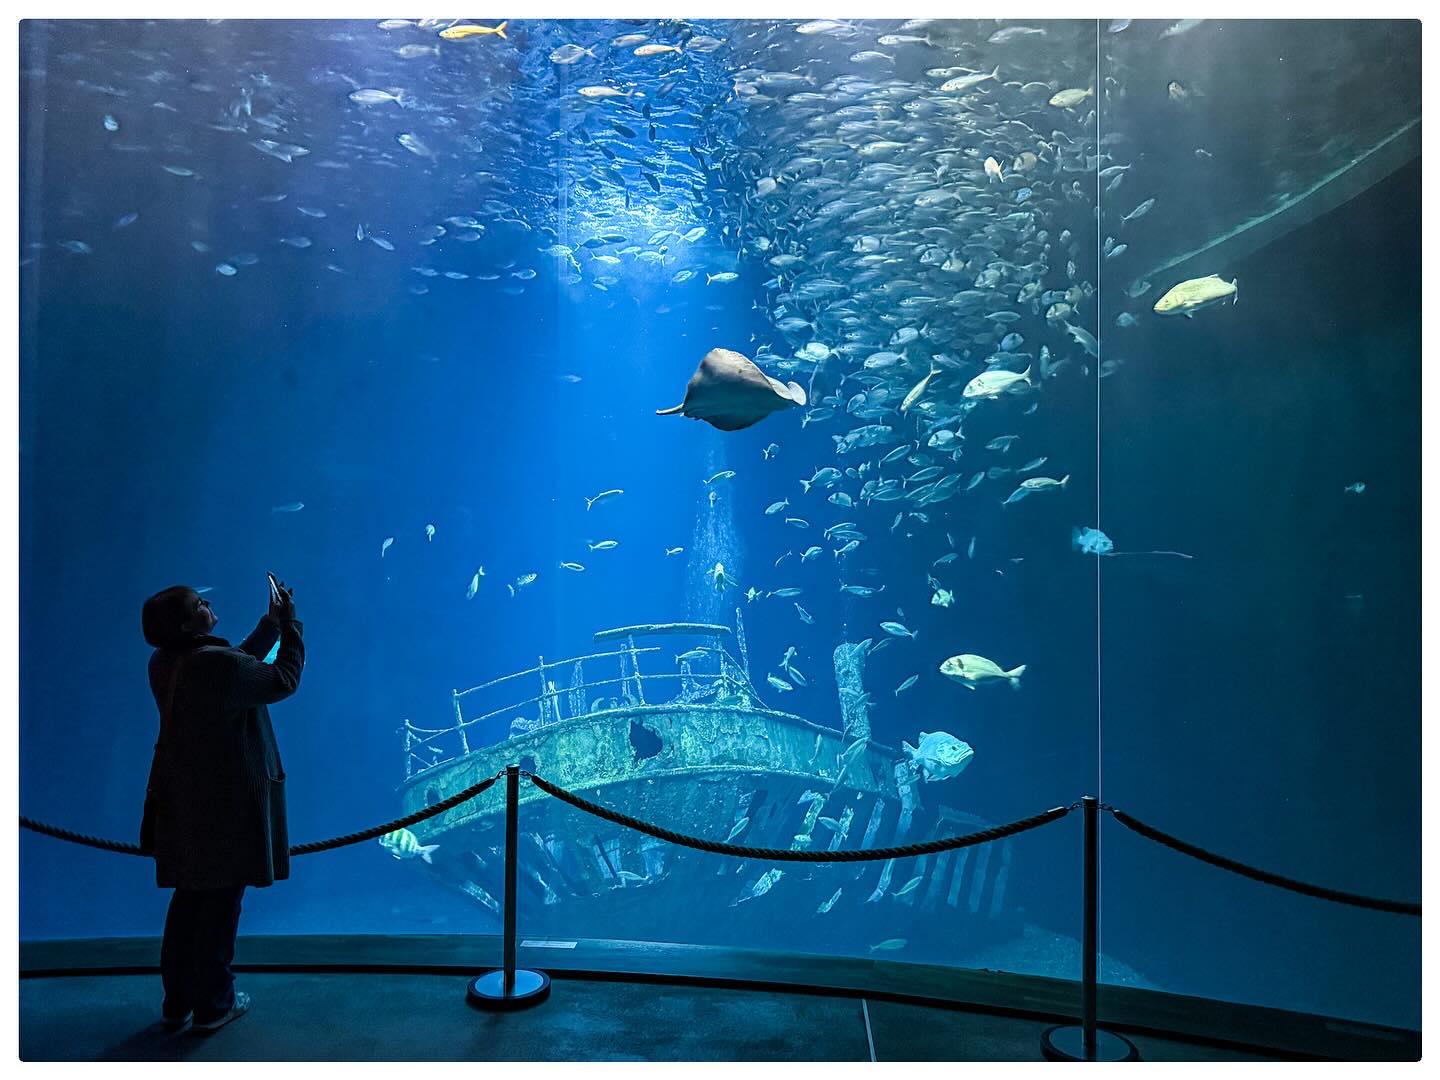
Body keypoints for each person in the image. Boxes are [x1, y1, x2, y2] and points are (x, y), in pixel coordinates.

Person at [139, 576, 304, 1033]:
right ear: (185, 624)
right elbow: (282, 680)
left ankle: (177, 1001)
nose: (206, 603)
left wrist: (269, 625)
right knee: (220, 904)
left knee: (189, 900)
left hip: (186, 800)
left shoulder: (165, 661)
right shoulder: (214, 666)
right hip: (225, 804)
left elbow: (235, 665)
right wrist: (291, 628)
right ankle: (214, 1005)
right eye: (198, 604)